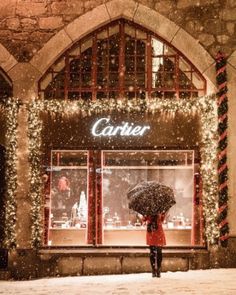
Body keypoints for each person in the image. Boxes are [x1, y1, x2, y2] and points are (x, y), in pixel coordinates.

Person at [143, 213, 166, 278]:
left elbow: (144, 220)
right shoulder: (158, 209)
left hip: (154, 232)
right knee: (156, 253)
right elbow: (162, 220)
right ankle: (156, 270)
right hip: (154, 232)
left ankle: (155, 270)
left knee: (155, 253)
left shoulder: (148, 210)